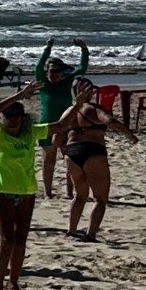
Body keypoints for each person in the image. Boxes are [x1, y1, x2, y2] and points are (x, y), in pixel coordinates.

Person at [53, 76, 136, 241]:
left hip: (72, 153)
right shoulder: (92, 109)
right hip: (93, 150)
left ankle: (72, 230)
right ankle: (91, 234)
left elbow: (56, 140)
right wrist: (130, 135)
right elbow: (111, 121)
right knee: (100, 198)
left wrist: (66, 149)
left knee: (80, 195)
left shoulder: (68, 112)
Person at [0, 83, 47, 290]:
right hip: (2, 192)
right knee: (7, 240)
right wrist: (20, 95)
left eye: (18, 115)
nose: (13, 119)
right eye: (10, 115)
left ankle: (14, 283)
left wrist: (77, 106)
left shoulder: (30, 134)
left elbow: (61, 125)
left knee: (21, 240)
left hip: (27, 193)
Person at [35, 38, 91, 199]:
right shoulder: (44, 84)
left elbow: (82, 68)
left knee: (70, 160)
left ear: (62, 72)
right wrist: (47, 48)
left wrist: (84, 48)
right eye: (52, 71)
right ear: (48, 72)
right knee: (49, 161)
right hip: (47, 125)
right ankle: (48, 192)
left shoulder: (66, 82)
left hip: (67, 126)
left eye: (57, 72)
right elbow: (38, 67)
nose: (54, 75)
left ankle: (69, 192)